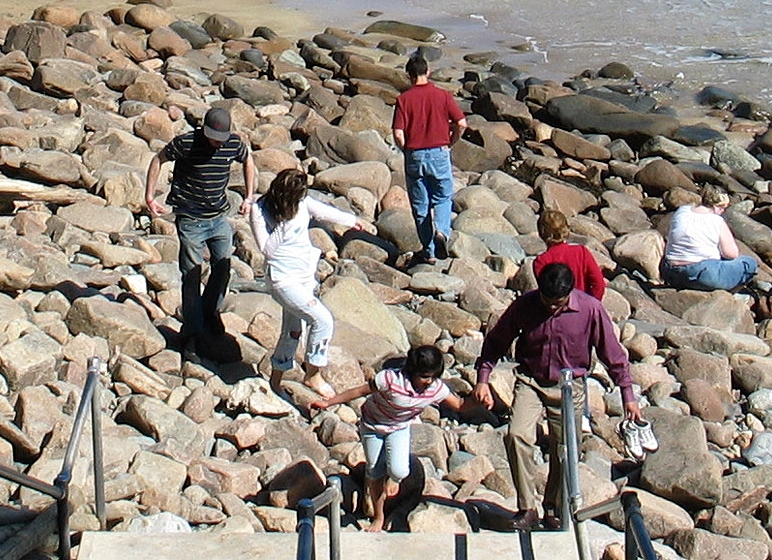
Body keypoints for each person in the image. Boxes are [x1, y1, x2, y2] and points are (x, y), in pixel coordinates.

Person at [473, 262, 644, 527]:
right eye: (547, 301)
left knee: (564, 449)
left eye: (558, 303)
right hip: (531, 380)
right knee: (516, 434)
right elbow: (497, 340)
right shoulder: (526, 305)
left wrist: (628, 396)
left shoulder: (590, 309)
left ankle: (553, 507)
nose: (552, 308)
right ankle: (526, 507)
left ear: (569, 293)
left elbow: (613, 354)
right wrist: (483, 378)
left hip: (569, 385)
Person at [311, 345, 470, 531]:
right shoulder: (389, 379)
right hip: (372, 426)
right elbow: (359, 392)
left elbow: (459, 405)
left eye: (434, 376)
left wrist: (480, 397)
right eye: (425, 376)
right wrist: (328, 402)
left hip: (399, 428)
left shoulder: (436, 388)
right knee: (375, 472)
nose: (430, 381)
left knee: (400, 470)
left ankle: (393, 479)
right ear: (412, 371)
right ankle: (379, 516)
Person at [144, 104, 257, 361]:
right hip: (190, 219)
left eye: (221, 139)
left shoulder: (233, 144)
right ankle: (193, 332)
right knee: (191, 274)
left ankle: (211, 312)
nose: (217, 144)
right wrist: (150, 196)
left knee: (223, 266)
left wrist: (249, 197)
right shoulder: (186, 143)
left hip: (218, 217)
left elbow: (248, 159)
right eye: (213, 138)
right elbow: (158, 159)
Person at [248, 168, 368, 397]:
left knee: (293, 330)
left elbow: (321, 211)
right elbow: (267, 250)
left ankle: (275, 381)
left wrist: (352, 221)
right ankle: (313, 374)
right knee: (323, 320)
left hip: (303, 273)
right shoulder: (260, 209)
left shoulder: (302, 202)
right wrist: (285, 223)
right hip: (282, 278)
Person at [392, 55, 465, 265]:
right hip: (439, 152)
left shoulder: (404, 99)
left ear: (409, 75)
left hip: (415, 154)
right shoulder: (443, 95)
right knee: (443, 197)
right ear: (428, 72)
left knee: (420, 206)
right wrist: (451, 142)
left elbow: (398, 133)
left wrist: (406, 150)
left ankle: (429, 251)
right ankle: (442, 231)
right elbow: (461, 123)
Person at [662, 184, 758, 291]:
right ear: (717, 206)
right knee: (748, 263)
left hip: (670, 270)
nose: (723, 212)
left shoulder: (682, 211)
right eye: (723, 208)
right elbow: (731, 254)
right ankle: (729, 293)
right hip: (701, 274)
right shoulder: (716, 221)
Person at [533, 208, 606, 298]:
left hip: (556, 310)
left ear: (541, 233)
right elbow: (599, 284)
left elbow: (546, 294)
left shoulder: (540, 261)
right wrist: (591, 304)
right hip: (582, 306)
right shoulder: (581, 252)